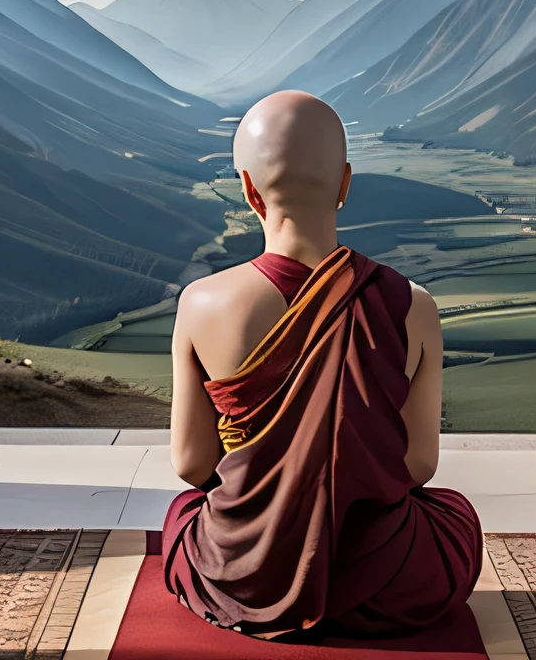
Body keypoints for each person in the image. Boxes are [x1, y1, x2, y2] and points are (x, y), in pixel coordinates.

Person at [162, 90, 482, 640]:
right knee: (455, 514)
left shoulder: (201, 303)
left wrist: (277, 497)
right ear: (345, 184)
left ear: (247, 190)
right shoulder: (415, 305)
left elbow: (192, 467)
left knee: (183, 513)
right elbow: (419, 466)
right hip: (389, 578)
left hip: (247, 575)